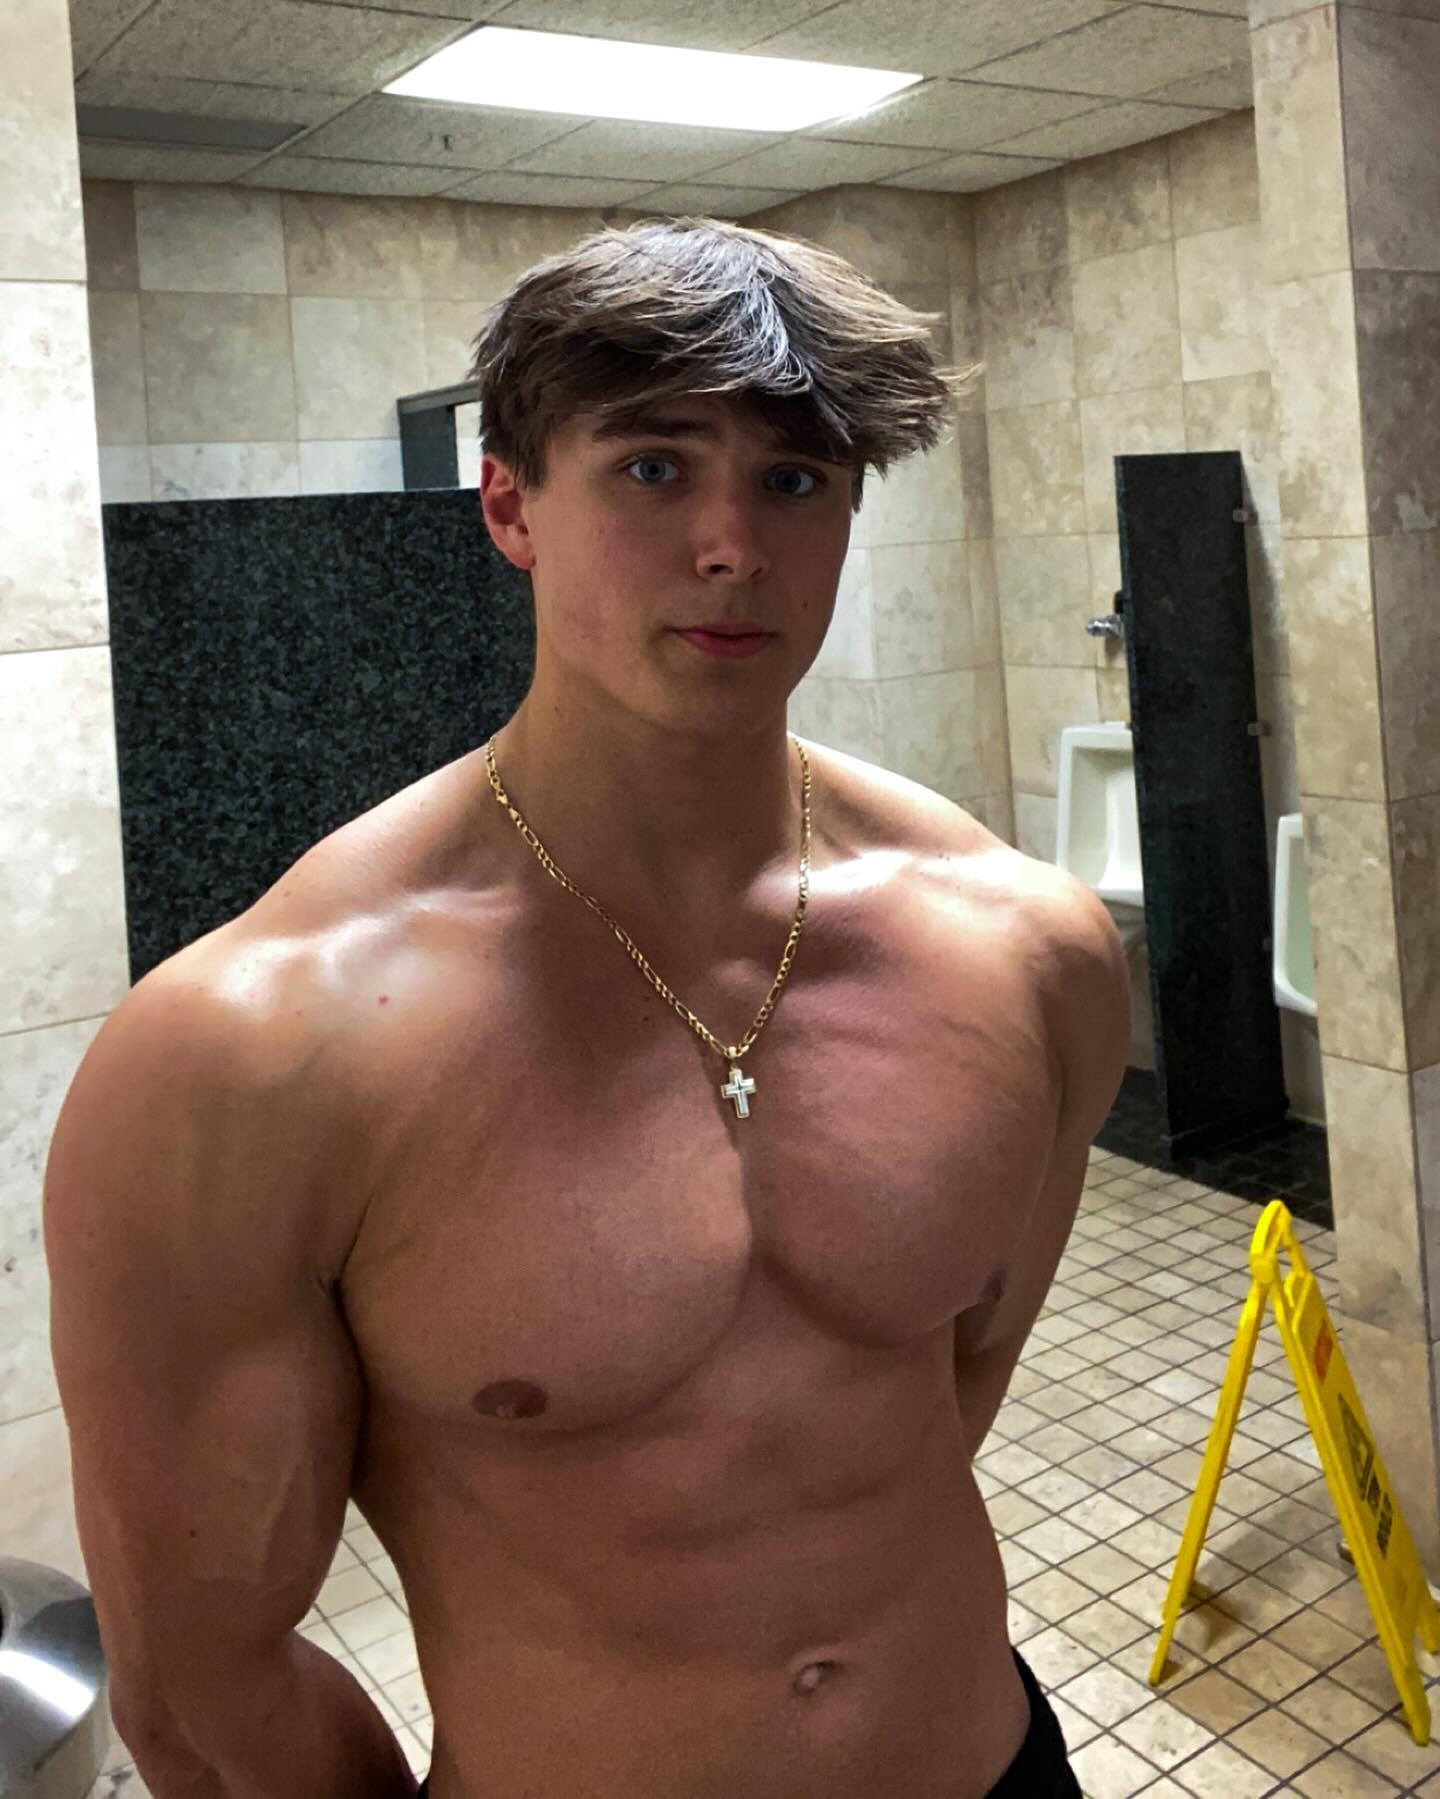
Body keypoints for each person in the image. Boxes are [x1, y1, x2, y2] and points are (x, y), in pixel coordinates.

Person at [44, 215, 1130, 1798]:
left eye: (795, 480)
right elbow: (203, 1691)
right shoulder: (256, 1054)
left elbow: (944, 1402)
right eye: (652, 468)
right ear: (510, 506)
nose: (732, 546)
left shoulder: (1029, 952)